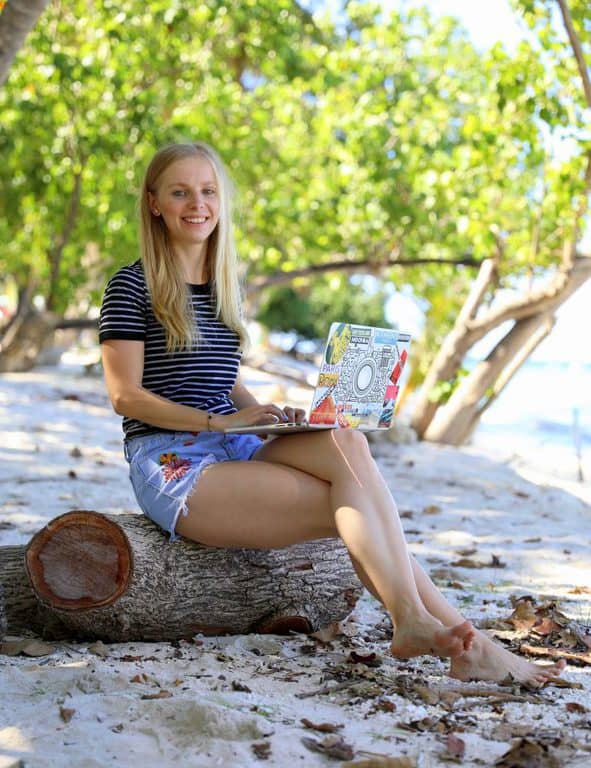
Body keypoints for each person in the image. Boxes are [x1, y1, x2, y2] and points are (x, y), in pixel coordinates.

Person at [99, 141, 565, 686]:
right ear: (154, 203)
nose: (196, 204)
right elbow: (124, 396)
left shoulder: (224, 285)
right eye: (180, 192)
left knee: (347, 443)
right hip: (174, 461)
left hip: (235, 443)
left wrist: (268, 413)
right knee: (354, 505)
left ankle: (435, 629)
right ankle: (452, 635)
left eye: (207, 191)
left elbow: (221, 379)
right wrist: (217, 422)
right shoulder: (131, 285)